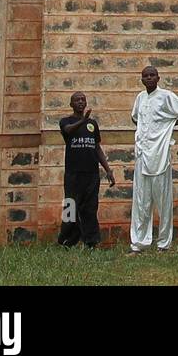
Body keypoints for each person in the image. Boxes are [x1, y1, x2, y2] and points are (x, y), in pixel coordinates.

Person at [129, 67, 178, 254]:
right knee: (141, 200)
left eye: (152, 75)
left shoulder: (166, 96)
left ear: (158, 78)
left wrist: (168, 126)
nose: (149, 78)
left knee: (163, 200)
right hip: (142, 154)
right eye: (145, 76)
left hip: (160, 155)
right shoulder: (140, 98)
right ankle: (139, 244)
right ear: (141, 79)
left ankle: (163, 244)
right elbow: (136, 118)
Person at [58, 92, 115, 250]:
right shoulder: (65, 121)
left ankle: (91, 241)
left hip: (91, 174)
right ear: (71, 104)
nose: (81, 102)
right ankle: (66, 240)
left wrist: (108, 170)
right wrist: (82, 121)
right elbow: (68, 131)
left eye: (83, 100)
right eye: (77, 100)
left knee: (90, 208)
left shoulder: (92, 124)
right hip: (73, 174)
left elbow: (97, 147)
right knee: (70, 206)